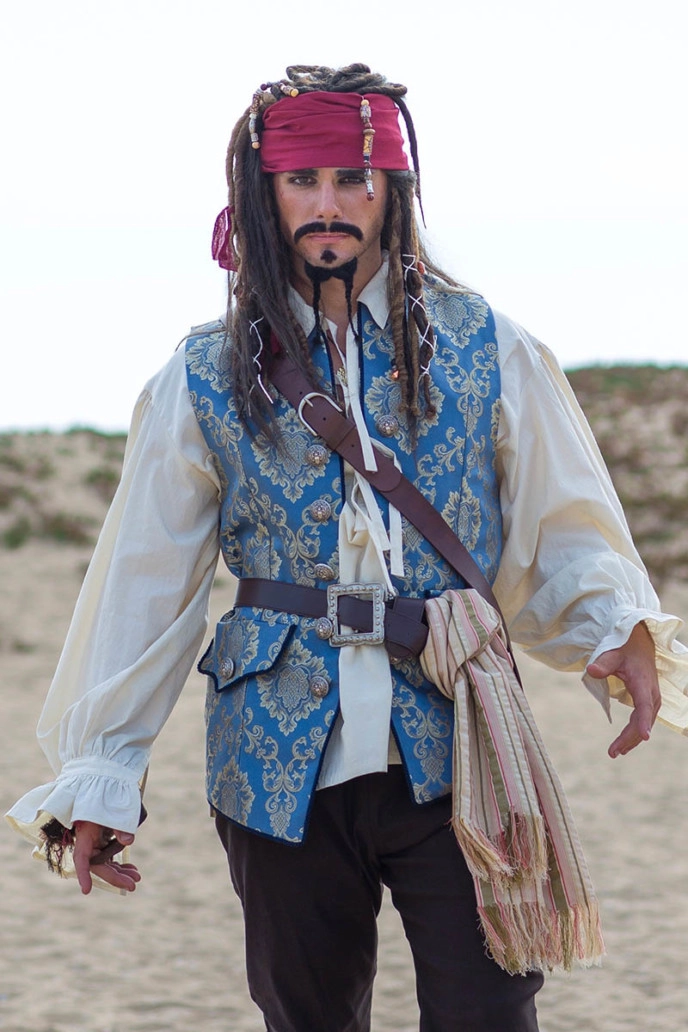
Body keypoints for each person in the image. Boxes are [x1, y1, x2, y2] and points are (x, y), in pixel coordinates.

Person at [7, 62, 688, 1032]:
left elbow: (564, 516)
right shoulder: (201, 375)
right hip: (274, 756)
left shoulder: (490, 346)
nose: (328, 204)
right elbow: (143, 583)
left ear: (392, 191)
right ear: (264, 193)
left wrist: (613, 627)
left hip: (457, 740)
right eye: (302, 180)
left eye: (352, 179)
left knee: (490, 1013)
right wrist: (103, 770)